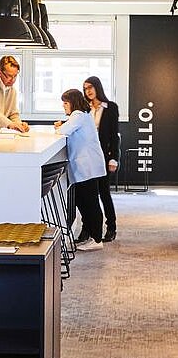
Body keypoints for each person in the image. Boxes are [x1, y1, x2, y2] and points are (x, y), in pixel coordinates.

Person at [54, 89, 107, 251]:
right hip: (87, 166)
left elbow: (62, 131)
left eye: (65, 103)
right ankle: (90, 236)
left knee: (90, 203)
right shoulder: (82, 115)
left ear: (73, 103)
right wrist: (63, 124)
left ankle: (97, 239)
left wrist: (61, 126)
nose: (63, 106)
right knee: (84, 202)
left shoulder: (78, 115)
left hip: (87, 166)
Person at [77, 76, 119, 242]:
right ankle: (87, 229)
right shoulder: (83, 108)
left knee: (104, 193)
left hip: (103, 156)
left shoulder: (110, 107)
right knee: (88, 196)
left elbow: (114, 136)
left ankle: (111, 227)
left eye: (90, 87)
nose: (88, 91)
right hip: (87, 157)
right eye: (85, 88)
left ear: (97, 87)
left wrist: (114, 158)